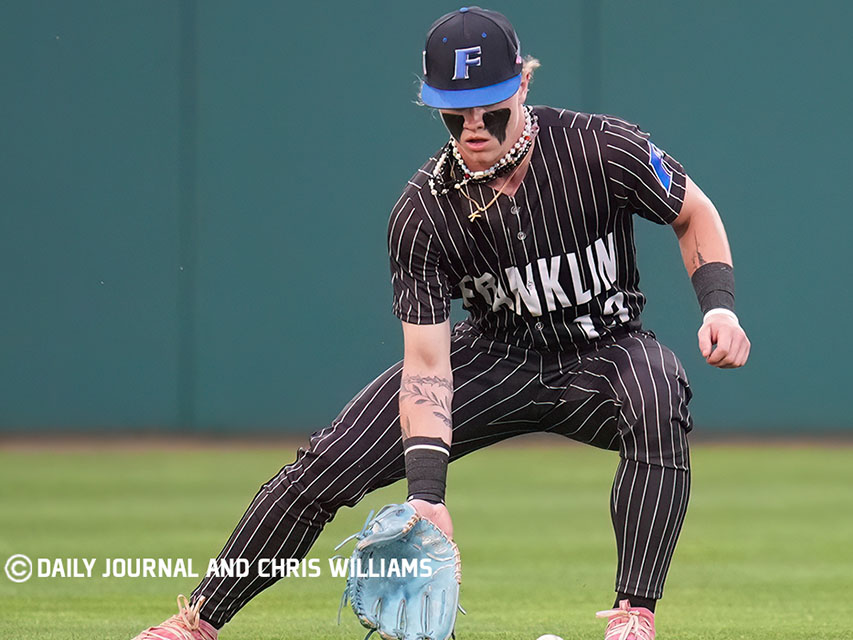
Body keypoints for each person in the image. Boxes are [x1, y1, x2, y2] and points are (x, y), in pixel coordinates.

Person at [132, 7, 750, 640]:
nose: (475, 126)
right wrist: (428, 493)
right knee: (323, 466)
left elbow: (692, 210)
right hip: (494, 357)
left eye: (492, 107)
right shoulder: (423, 212)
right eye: (456, 111)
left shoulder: (600, 148)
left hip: (603, 352)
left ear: (523, 85)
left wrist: (719, 304)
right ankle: (197, 622)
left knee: (658, 390)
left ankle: (633, 617)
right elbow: (427, 366)